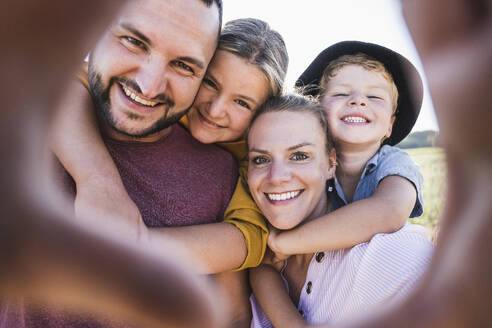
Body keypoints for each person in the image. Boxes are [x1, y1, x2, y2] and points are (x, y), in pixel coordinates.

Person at [1, 0, 246, 327]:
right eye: (134, 41)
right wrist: (98, 179)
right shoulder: (24, 122)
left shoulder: (221, 173)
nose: (149, 85)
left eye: (184, 65)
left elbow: (232, 315)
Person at [51, 17, 289, 272]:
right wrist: (96, 179)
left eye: (242, 103)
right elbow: (65, 83)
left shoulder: (249, 156)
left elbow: (247, 237)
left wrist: (130, 244)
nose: (216, 109)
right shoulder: (151, 97)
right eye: (210, 83)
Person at [246, 94, 433, 327]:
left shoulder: (386, 256)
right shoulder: (251, 265)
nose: (276, 178)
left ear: (330, 164)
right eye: (261, 159)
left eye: (299, 156)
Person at [264, 41, 424, 265]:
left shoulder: (395, 162)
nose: (358, 100)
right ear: (317, 113)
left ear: (390, 125)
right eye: (340, 93)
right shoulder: (304, 166)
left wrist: (285, 244)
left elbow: (389, 211)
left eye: (375, 97)